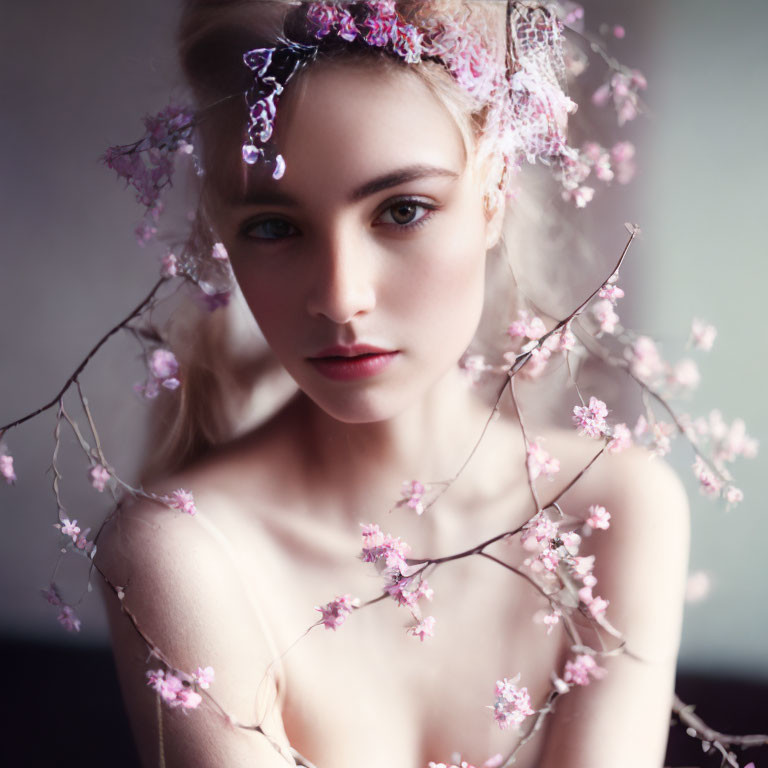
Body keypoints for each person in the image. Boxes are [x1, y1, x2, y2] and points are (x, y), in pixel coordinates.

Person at [95, 2, 689, 766]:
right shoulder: (188, 558)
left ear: (492, 193)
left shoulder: (615, 513)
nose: (341, 299)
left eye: (402, 210)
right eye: (273, 226)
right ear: (223, 230)